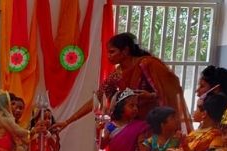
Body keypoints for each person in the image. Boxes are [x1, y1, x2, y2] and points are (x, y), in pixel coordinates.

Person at [53, 32, 188, 133]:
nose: (109, 56)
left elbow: (172, 89)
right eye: (108, 52)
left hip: (154, 124)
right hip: (132, 125)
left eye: (112, 52)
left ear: (125, 51)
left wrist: (151, 96)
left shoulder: (147, 64)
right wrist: (67, 121)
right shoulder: (117, 74)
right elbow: (98, 98)